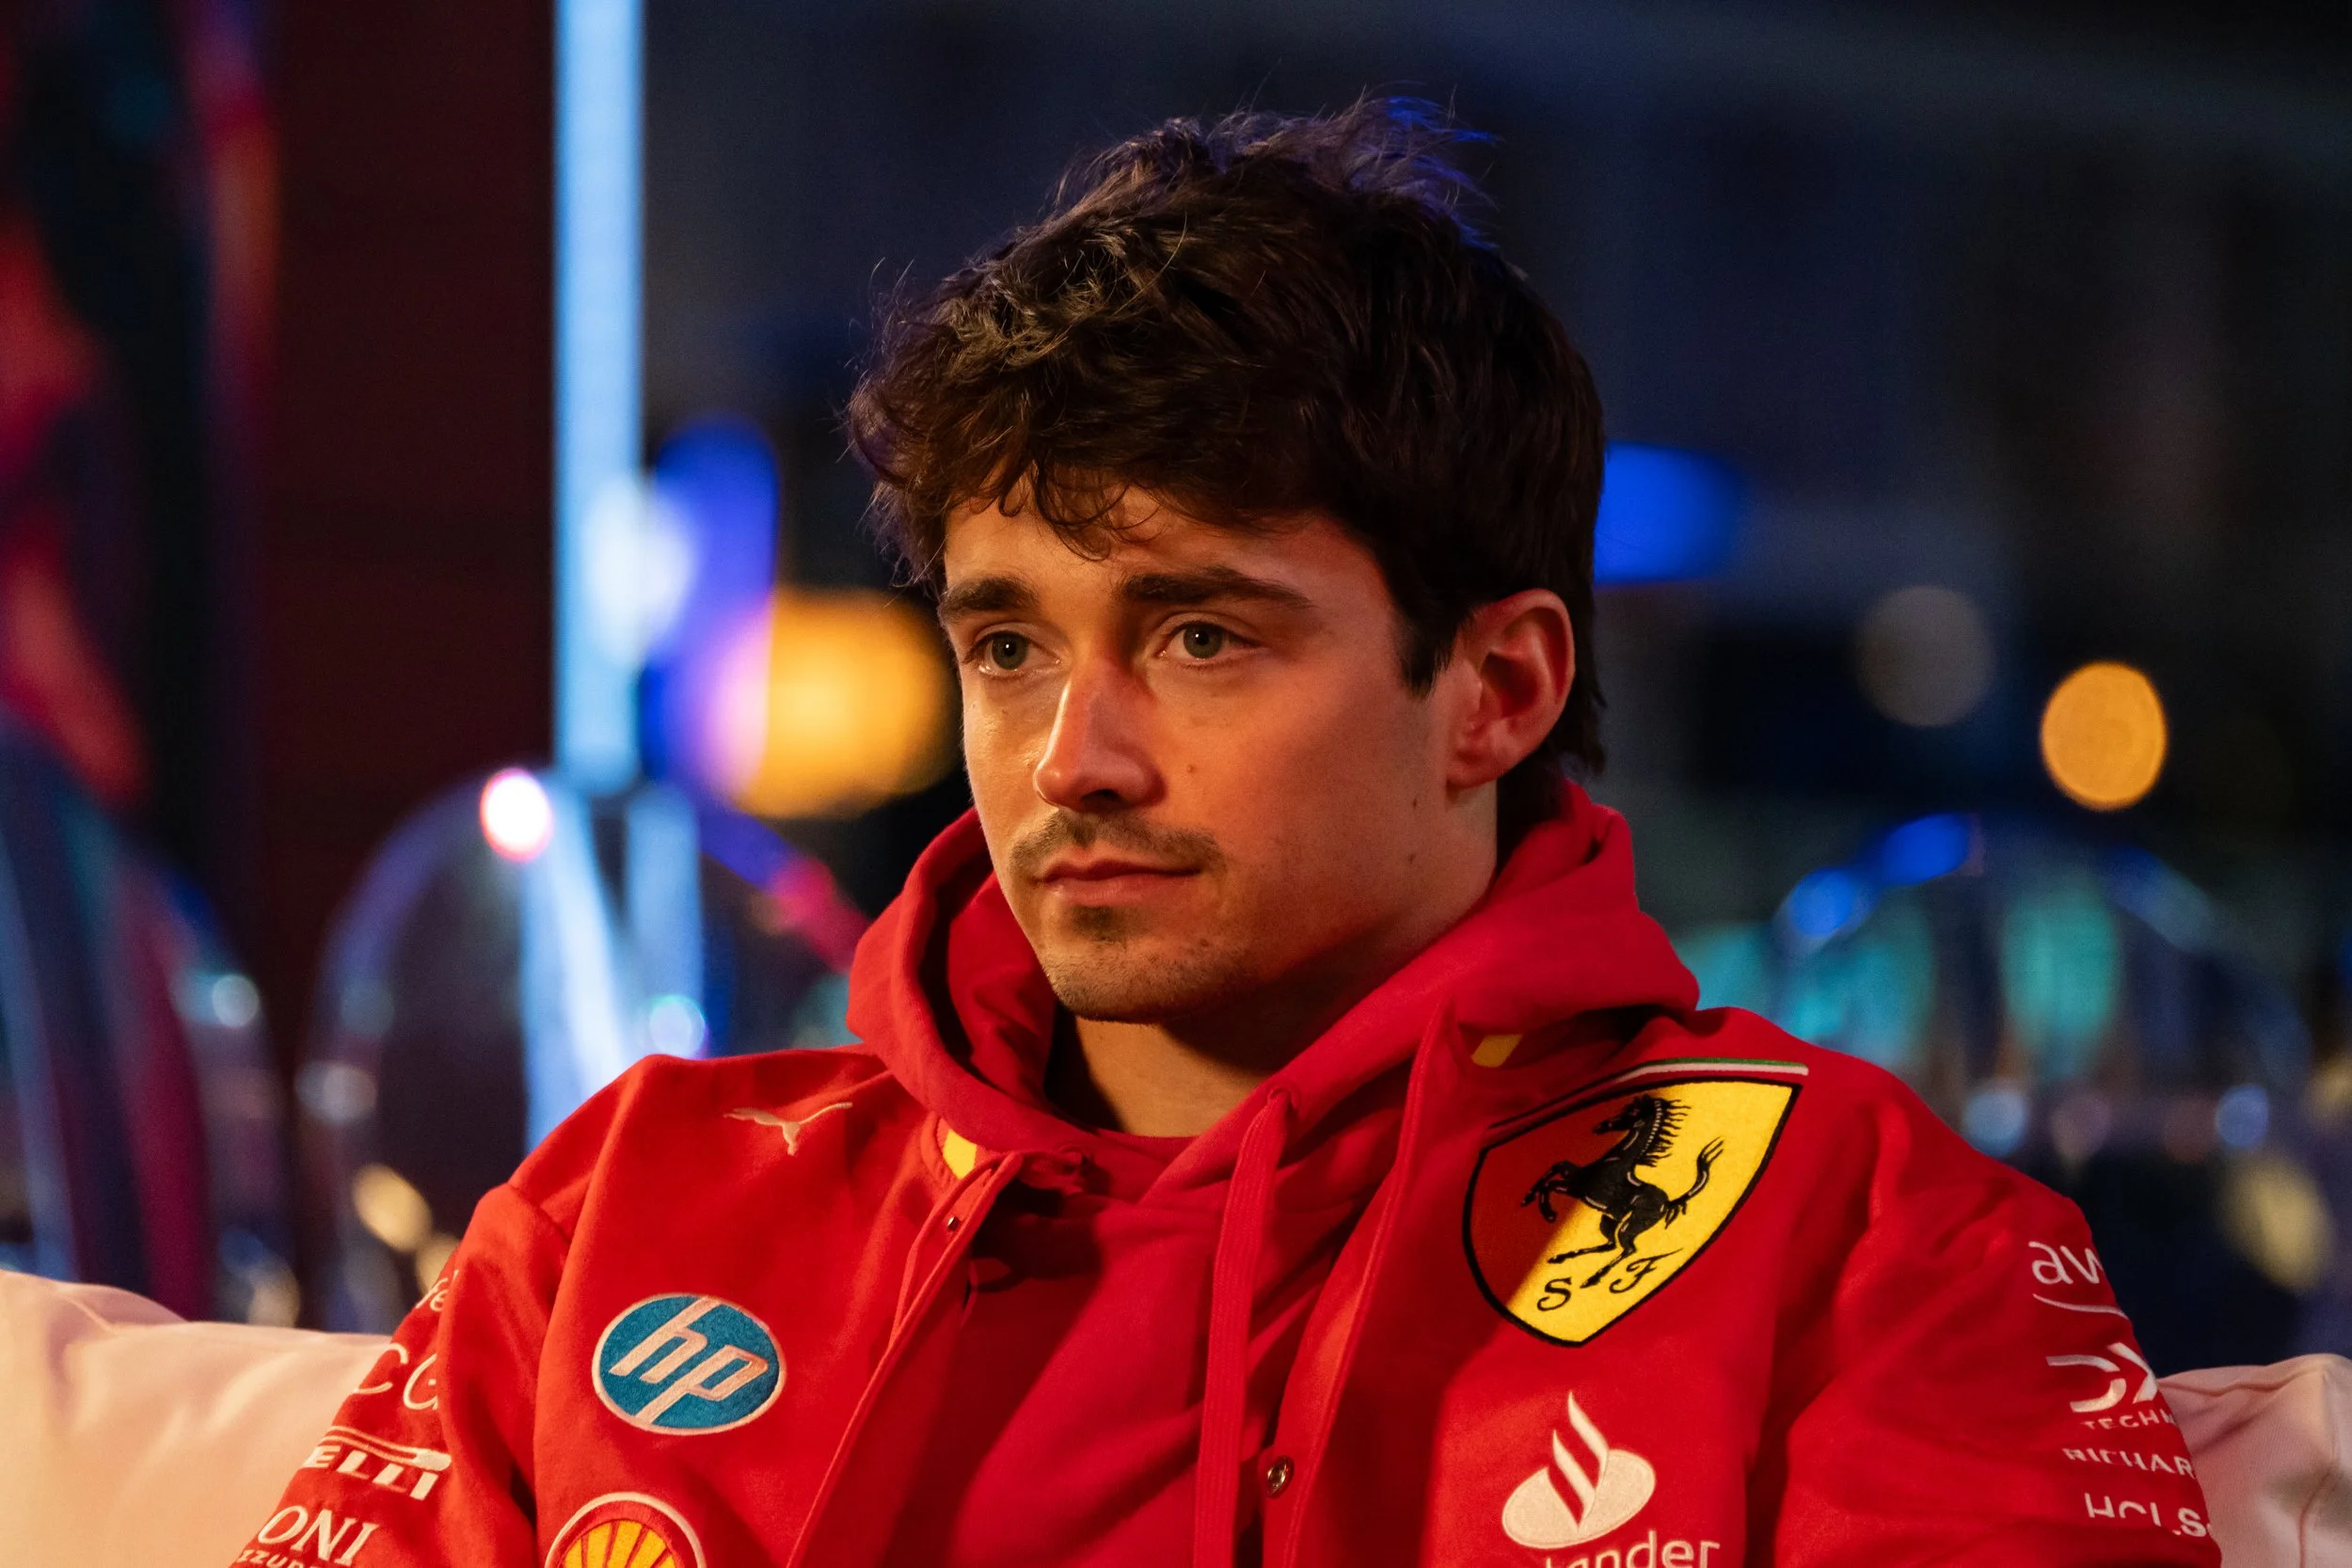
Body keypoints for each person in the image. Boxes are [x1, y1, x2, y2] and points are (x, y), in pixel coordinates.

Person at [232, 101, 2214, 1568]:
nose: (1071, 756)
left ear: (1498, 688)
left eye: (1199, 635)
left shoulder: (1861, 1238)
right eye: (1008, 645)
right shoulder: (623, 1210)